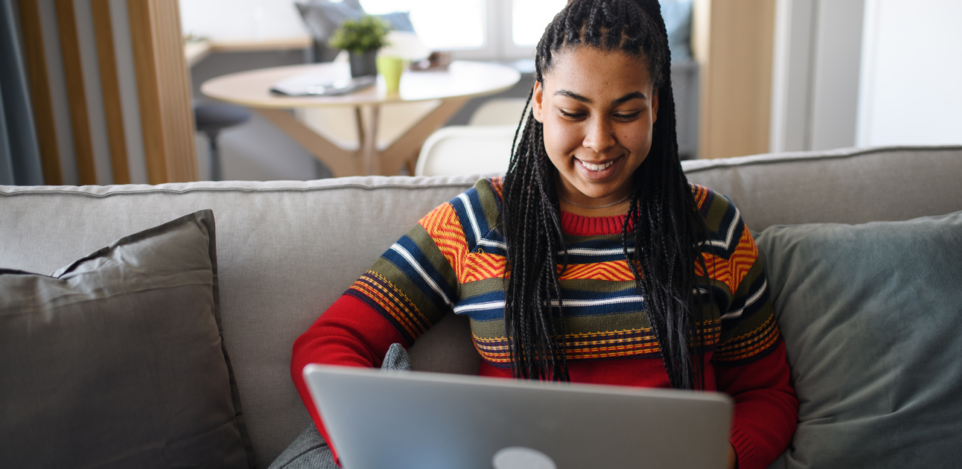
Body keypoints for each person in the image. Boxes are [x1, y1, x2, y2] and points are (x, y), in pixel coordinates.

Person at [289, 1, 798, 468]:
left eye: (626, 112)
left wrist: (724, 459)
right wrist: (387, 446)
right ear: (538, 100)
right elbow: (331, 341)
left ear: (656, 107)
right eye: (572, 112)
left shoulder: (713, 227)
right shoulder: (480, 222)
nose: (598, 141)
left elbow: (767, 393)